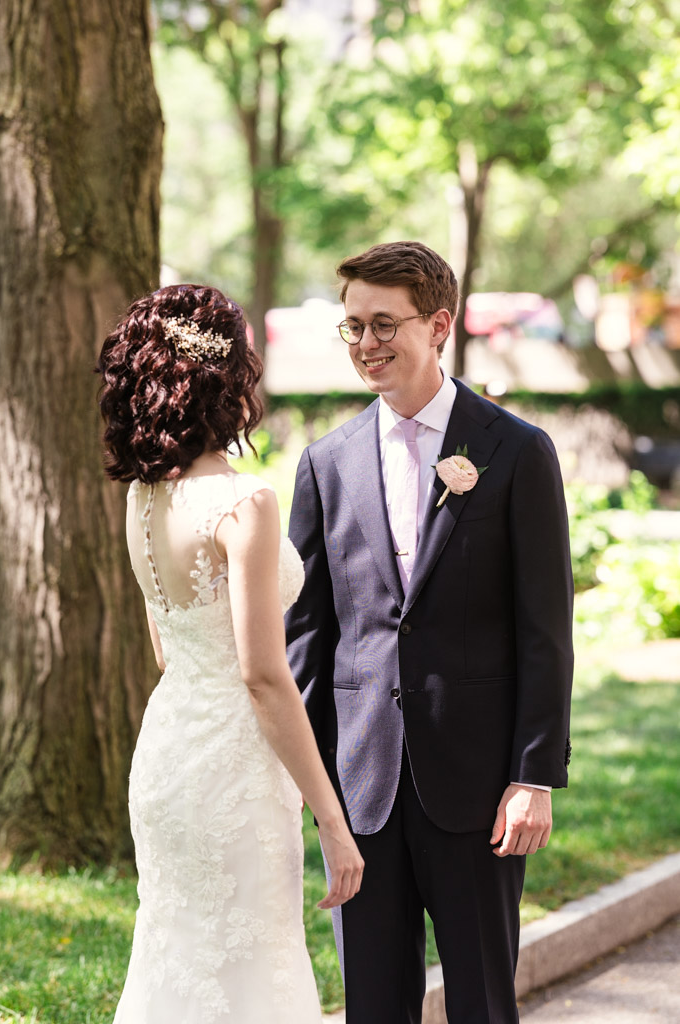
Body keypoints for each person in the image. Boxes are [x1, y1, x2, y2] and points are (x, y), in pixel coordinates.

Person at [285, 241, 573, 1024]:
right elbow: (307, 641)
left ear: (437, 324)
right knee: (373, 1008)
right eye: (351, 327)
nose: (366, 344)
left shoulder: (516, 451)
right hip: (360, 791)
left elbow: (545, 628)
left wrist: (533, 774)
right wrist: (307, 789)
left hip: (479, 789)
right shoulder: (324, 463)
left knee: (481, 1003)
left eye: (384, 324)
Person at [97, 284, 363, 1024]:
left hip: (168, 753)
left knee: (174, 952)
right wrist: (331, 822)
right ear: (225, 375)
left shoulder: (142, 499)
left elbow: (165, 646)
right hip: (233, 769)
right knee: (250, 968)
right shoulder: (243, 503)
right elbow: (262, 676)